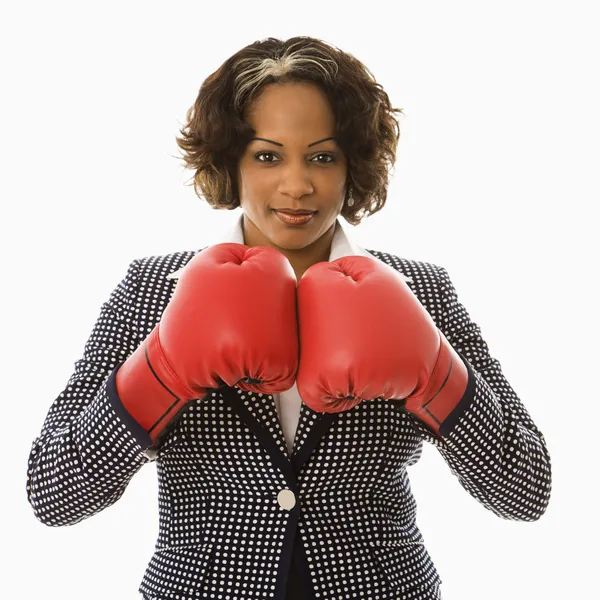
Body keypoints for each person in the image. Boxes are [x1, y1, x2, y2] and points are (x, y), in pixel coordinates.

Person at [26, 36, 552, 600]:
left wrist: (438, 379)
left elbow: (525, 490)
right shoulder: (154, 290)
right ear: (231, 161)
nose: (297, 186)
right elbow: (53, 494)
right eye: (267, 155)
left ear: (354, 165)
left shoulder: (420, 290)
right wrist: (159, 376)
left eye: (323, 157)